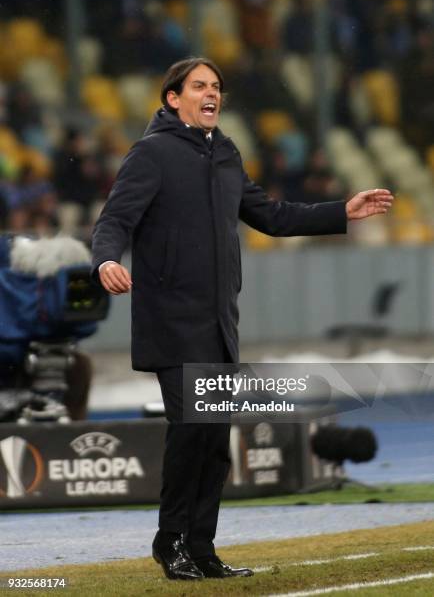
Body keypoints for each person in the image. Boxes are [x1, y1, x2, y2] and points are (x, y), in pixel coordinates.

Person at [91, 57, 393, 581]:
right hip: (171, 320)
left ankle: (202, 548)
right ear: (173, 98)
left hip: (218, 323)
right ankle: (171, 544)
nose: (212, 94)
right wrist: (106, 260)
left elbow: (271, 217)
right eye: (200, 86)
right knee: (190, 433)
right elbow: (115, 219)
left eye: (217, 87)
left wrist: (340, 210)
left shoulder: (225, 153)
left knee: (213, 441)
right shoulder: (152, 153)